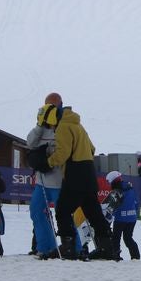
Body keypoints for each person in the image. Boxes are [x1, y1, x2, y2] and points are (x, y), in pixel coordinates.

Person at [45, 104, 113, 260]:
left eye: (51, 125)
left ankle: (68, 247)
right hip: (89, 172)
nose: (52, 128)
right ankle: (107, 247)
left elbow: (63, 153)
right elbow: (92, 148)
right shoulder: (78, 125)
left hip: (75, 174)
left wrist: (48, 161)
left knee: (62, 209)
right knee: (93, 212)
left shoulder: (63, 127)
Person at [26, 102, 63, 259]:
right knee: (36, 211)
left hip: (58, 181)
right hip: (42, 180)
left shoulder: (62, 127)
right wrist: (39, 126)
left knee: (63, 215)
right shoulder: (40, 130)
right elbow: (30, 142)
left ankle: (74, 246)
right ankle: (45, 246)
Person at [103, 171, 141, 260]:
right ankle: (136, 256)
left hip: (120, 219)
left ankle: (115, 255)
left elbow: (112, 207)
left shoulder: (116, 191)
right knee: (128, 238)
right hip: (132, 218)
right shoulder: (130, 187)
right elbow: (136, 203)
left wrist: (108, 216)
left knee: (116, 238)